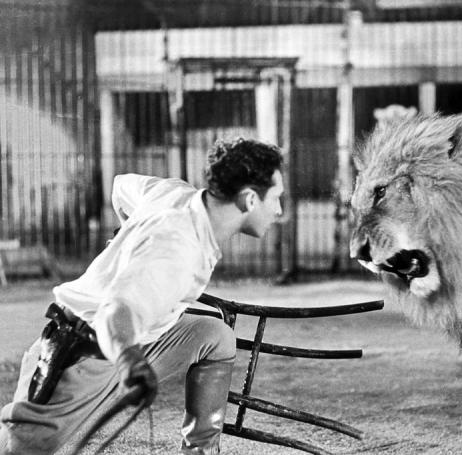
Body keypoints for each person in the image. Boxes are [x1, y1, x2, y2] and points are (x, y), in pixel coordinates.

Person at [0, 138, 284, 455]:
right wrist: (129, 360)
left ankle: (200, 451)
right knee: (19, 450)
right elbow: (113, 313)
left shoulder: (175, 193)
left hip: (137, 339)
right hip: (84, 354)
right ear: (249, 199)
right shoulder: (176, 250)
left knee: (214, 336)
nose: (279, 210)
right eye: (276, 198)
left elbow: (121, 187)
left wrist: (130, 245)